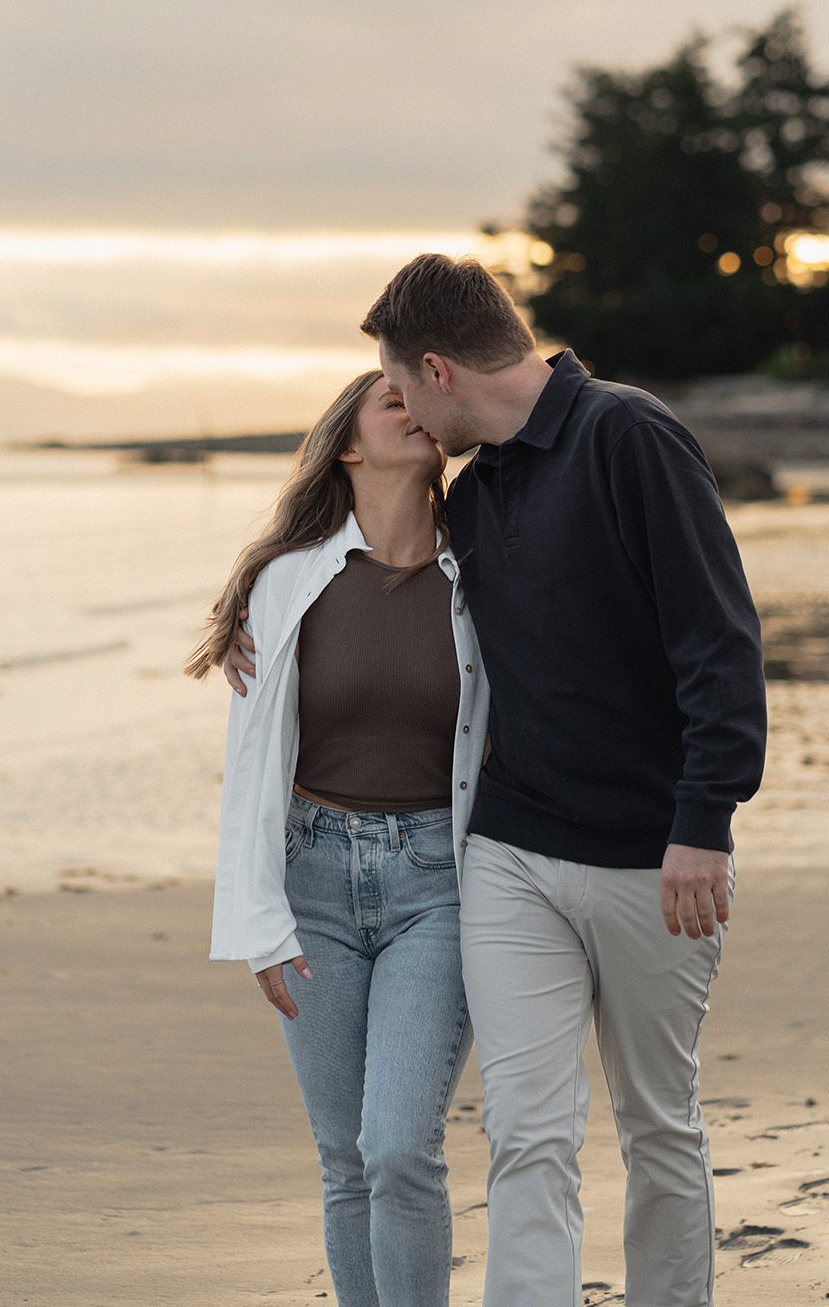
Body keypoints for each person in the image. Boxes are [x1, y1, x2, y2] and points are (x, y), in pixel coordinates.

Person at [223, 254, 767, 1307]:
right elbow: (366, 585)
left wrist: (703, 819)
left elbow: (720, 645)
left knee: (656, 1118)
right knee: (526, 1130)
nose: (414, 420)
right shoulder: (472, 501)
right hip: (507, 859)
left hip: (653, 856)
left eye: (403, 389)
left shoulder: (630, 437)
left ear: (435, 371)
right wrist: (257, 618)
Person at [189, 368, 490, 1307]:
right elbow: (251, 766)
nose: (415, 410)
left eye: (420, 400)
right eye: (390, 402)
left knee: (399, 1145)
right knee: (344, 1157)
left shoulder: (481, 573)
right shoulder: (284, 584)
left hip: (439, 880)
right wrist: (258, 924)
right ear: (348, 447)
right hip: (311, 879)